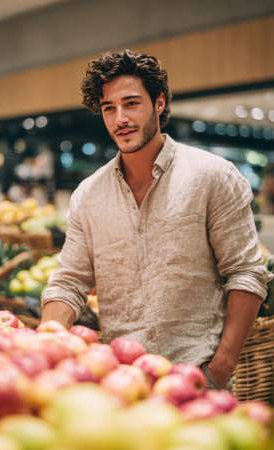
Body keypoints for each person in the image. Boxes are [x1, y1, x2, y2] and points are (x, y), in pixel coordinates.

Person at [41, 49, 273, 389]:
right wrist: (45, 346)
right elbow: (68, 283)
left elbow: (246, 274)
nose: (119, 118)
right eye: (109, 108)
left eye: (131, 103)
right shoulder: (88, 196)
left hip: (199, 379)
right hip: (123, 382)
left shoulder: (212, 176)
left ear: (159, 103)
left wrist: (219, 370)